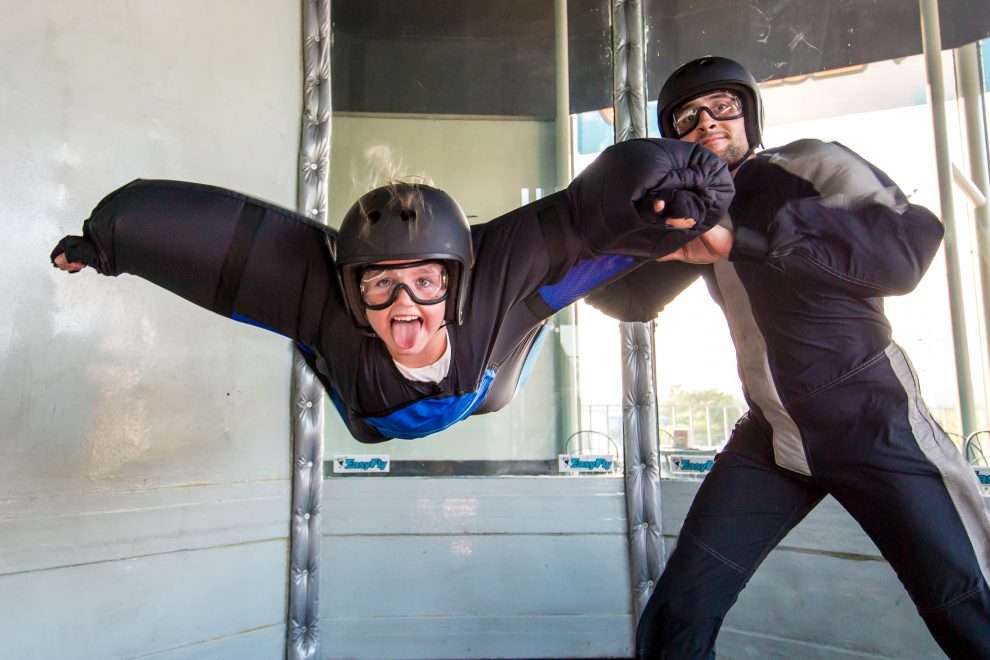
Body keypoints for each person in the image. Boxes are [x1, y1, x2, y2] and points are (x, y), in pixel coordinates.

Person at [587, 56, 990, 659]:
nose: (706, 122)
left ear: (749, 110)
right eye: (686, 117)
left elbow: (907, 247)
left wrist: (744, 238)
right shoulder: (695, 212)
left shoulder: (808, 162)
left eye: (721, 106)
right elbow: (625, 299)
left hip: (873, 419)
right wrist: (616, 230)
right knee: (675, 618)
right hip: (773, 439)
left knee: (971, 611)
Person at [51, 137, 733, 443]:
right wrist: (111, 242)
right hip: (366, 415)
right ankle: (316, 341)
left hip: (488, 377)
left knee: (556, 287)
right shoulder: (327, 301)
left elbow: (585, 223)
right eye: (380, 286)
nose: (405, 306)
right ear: (352, 289)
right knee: (309, 324)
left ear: (458, 280)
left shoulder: (495, 275)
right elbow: (219, 246)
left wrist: (673, 202)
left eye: (426, 283)